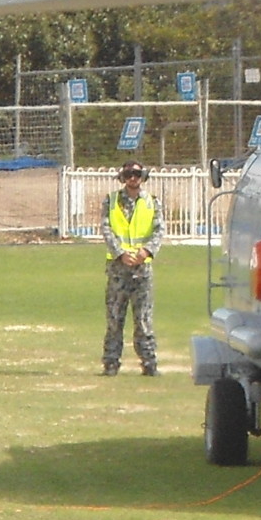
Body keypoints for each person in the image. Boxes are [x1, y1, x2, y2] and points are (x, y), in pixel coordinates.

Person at [101, 161, 163, 376]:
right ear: (123, 177)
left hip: (142, 270)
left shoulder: (152, 202)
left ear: (142, 176)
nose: (133, 178)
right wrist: (120, 253)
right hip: (118, 270)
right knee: (114, 319)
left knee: (144, 320)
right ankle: (111, 362)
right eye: (128, 174)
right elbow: (107, 228)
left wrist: (146, 252)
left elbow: (158, 231)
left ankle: (149, 362)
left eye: (136, 174)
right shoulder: (111, 201)